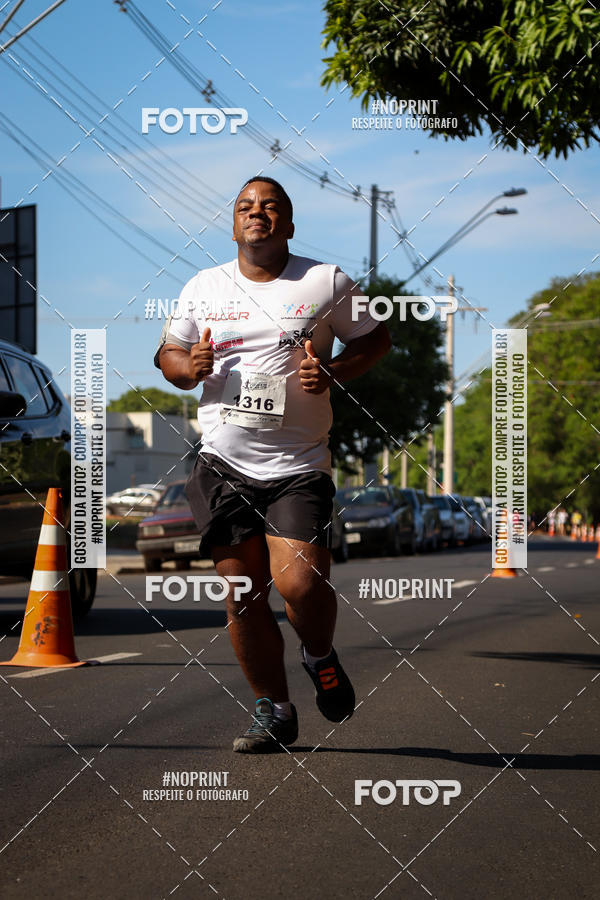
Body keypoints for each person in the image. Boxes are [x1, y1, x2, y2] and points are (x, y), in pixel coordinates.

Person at [155, 176, 391, 753]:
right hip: (223, 462)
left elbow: (375, 340)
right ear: (234, 223)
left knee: (301, 584)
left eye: (269, 206)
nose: (255, 212)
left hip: (298, 462)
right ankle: (274, 710)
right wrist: (189, 366)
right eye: (245, 206)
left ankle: (319, 654)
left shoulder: (326, 281)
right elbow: (168, 354)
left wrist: (333, 371)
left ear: (288, 223)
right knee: (243, 593)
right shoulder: (203, 286)